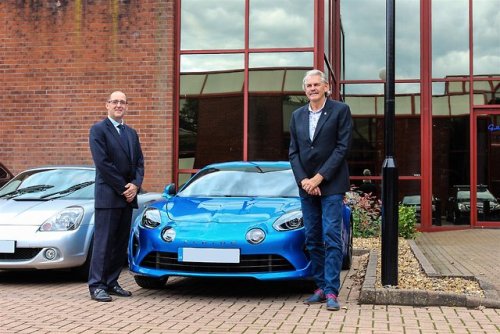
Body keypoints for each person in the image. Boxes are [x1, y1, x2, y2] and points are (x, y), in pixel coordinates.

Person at [289, 69, 353, 311]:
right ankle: (320, 286)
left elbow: (342, 148)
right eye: (309, 86)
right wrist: (306, 180)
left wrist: (319, 178)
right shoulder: (296, 115)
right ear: (305, 90)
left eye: (317, 84)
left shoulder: (340, 110)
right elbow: (293, 152)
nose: (313, 88)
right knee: (312, 238)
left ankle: (332, 291)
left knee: (331, 237)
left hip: (332, 185)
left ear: (326, 87)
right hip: (306, 185)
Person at [88, 91, 144, 302]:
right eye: (115, 102)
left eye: (122, 102)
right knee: (103, 244)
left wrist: (136, 185)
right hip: (109, 196)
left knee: (119, 244)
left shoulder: (131, 133)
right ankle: (97, 285)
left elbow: (139, 163)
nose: (119, 105)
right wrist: (125, 188)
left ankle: (111, 282)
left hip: (127, 198)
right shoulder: (98, 130)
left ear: (126, 106)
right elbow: (103, 164)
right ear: (107, 105)